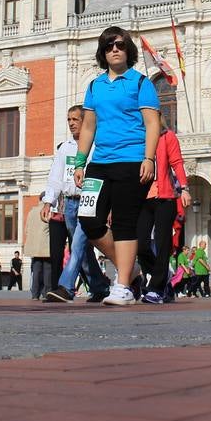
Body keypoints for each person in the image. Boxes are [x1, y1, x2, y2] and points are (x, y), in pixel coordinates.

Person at [72, 26, 161, 306]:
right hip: (99, 163)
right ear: (102, 51)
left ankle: (122, 286)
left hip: (132, 160)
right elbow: (88, 126)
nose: (114, 49)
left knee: (124, 223)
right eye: (109, 45)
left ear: (128, 50)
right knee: (88, 220)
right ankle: (130, 267)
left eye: (120, 45)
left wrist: (149, 158)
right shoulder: (95, 86)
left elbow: (152, 123)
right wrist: (79, 161)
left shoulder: (140, 83)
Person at [44, 106, 112, 303]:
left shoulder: (96, 146)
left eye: (75, 119)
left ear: (86, 122)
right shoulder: (65, 148)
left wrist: (108, 206)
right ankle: (100, 286)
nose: (72, 123)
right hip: (70, 204)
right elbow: (56, 177)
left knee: (77, 245)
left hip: (89, 201)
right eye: (69, 120)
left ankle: (65, 287)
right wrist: (49, 201)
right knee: (82, 250)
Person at [137, 127, 190, 304]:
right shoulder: (137, 134)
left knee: (162, 244)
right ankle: (164, 277)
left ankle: (157, 288)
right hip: (142, 197)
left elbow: (177, 162)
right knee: (140, 244)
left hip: (165, 197)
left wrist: (184, 188)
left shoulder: (167, 136)